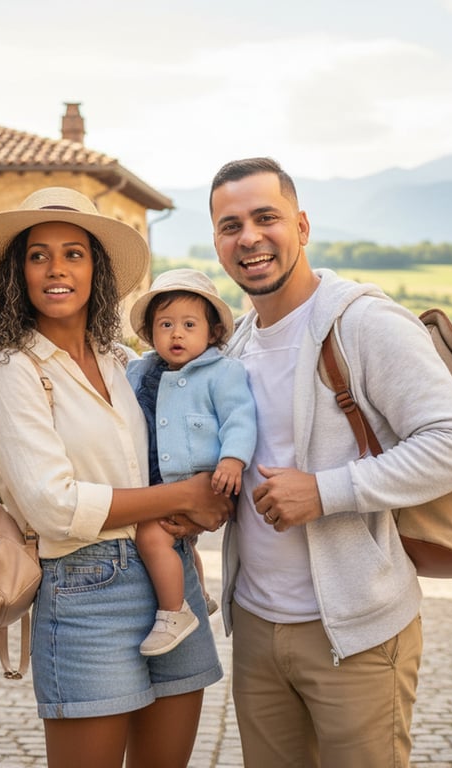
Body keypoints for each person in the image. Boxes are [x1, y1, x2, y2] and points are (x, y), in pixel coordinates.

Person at [207, 158, 452, 768]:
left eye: (266, 218)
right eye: (231, 225)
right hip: (255, 624)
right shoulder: (234, 346)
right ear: (218, 244)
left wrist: (326, 490)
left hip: (356, 629)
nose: (249, 237)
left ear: (301, 226)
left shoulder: (362, 322)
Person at [0, 187, 231, 768]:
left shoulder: (121, 359)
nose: (56, 268)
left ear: (96, 270)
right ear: (18, 272)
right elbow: (53, 507)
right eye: (38, 255)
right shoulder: (12, 370)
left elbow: (169, 444)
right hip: (86, 590)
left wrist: (200, 502)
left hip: (170, 580)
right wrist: (185, 495)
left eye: (74, 253)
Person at [125, 268, 256, 656]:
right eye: (165, 325)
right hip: (158, 481)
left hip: (200, 484)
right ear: (150, 333)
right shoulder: (141, 371)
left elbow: (241, 418)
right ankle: (196, 593)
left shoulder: (222, 373)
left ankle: (174, 611)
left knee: (151, 536)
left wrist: (233, 459)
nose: (176, 334)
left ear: (212, 333)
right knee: (182, 545)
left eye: (188, 324)